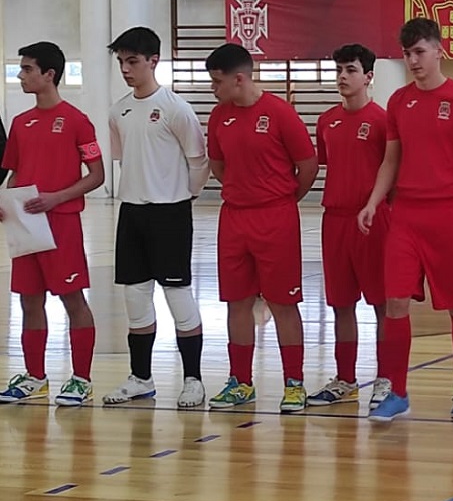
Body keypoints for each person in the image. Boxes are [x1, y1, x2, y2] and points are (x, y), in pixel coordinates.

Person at [359, 18, 453, 422]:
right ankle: (398, 391)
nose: (413, 60)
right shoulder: (399, 102)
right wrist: (373, 202)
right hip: (405, 217)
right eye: (406, 53)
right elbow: (391, 158)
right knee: (395, 302)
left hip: (449, 214)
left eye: (419, 52)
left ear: (440, 51)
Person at [204, 43, 317, 413]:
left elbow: (307, 166)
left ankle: (294, 384)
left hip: (276, 218)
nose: (213, 89)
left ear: (240, 79)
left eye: (217, 82)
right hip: (234, 217)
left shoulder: (280, 113)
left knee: (283, 302)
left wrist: (282, 200)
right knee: (236, 302)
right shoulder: (219, 117)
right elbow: (218, 166)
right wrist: (243, 191)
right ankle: (240, 382)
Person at [102, 27, 210, 409]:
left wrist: (184, 197)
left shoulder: (176, 109)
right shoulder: (119, 110)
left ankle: (193, 380)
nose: (126, 69)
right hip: (131, 212)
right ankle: (140, 377)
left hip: (171, 213)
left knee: (178, 296)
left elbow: (199, 162)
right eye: (121, 62)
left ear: (153, 61)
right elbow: (123, 159)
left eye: (132, 61)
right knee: (136, 296)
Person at [0, 42, 104, 406]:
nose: (21, 75)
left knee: (72, 300)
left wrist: (57, 197)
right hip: (26, 227)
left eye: (27, 69)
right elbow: (13, 176)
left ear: (49, 74)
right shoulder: (20, 123)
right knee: (29, 301)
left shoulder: (77, 120)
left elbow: (97, 175)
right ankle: (34, 376)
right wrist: (6, 205)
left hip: (61, 223)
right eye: (21, 68)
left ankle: (82, 379)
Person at [308, 44, 392, 410]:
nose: (343, 76)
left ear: (368, 76)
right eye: (339, 69)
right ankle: (345, 379)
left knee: (382, 304)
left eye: (351, 70)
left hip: (374, 222)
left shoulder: (383, 121)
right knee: (341, 304)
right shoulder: (326, 121)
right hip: (335, 221)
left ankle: (386, 378)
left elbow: (393, 175)